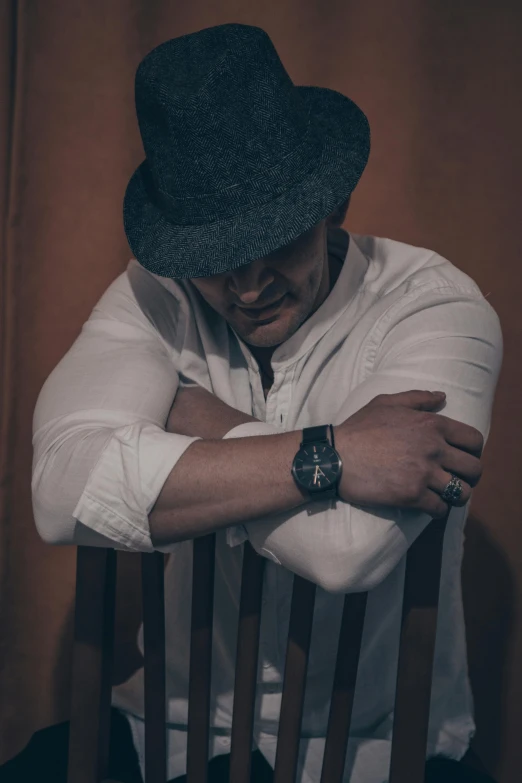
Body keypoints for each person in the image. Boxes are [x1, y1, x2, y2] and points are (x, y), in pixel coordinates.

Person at [27, 22, 502, 783]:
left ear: (333, 203)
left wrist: (198, 416)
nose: (248, 289)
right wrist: (336, 453)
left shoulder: (437, 309)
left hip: (377, 748)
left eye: (276, 243)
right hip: (167, 731)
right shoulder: (155, 294)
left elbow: (347, 549)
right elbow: (61, 493)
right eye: (216, 260)